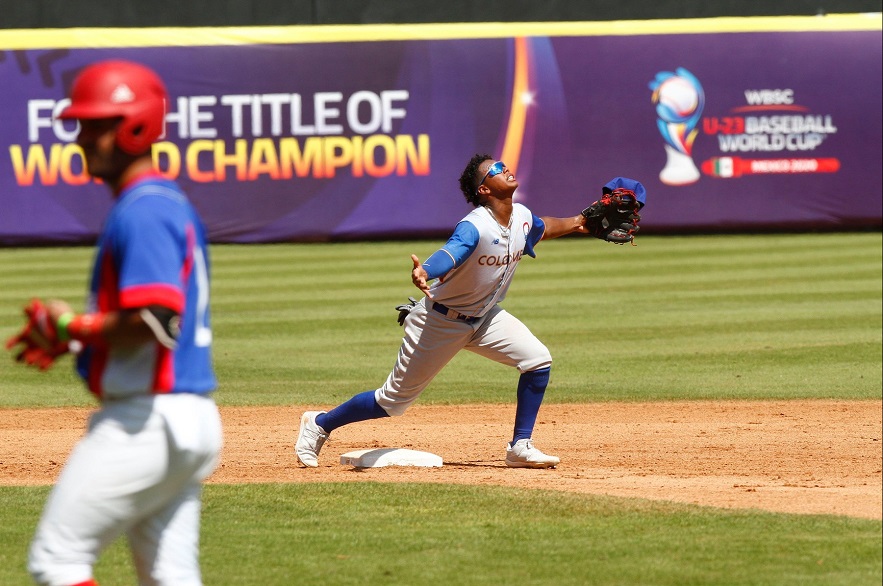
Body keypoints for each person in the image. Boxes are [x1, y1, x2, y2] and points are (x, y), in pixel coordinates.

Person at [6, 60, 222, 586]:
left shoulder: (143, 208)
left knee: (58, 559)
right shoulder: (162, 201)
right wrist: (77, 339)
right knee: (170, 576)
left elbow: (156, 317)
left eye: (95, 124)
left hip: (146, 421)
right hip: (186, 418)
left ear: (136, 127)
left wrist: (71, 328)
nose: (81, 138)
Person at [295, 153, 645, 469]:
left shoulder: (521, 217)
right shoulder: (475, 225)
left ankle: (520, 446)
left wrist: (580, 221)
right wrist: (425, 271)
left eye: (503, 165)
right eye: (496, 170)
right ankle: (320, 423)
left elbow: (543, 227)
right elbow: (452, 252)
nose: (505, 168)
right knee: (392, 402)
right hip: (439, 322)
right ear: (484, 190)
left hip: (485, 317)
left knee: (537, 360)